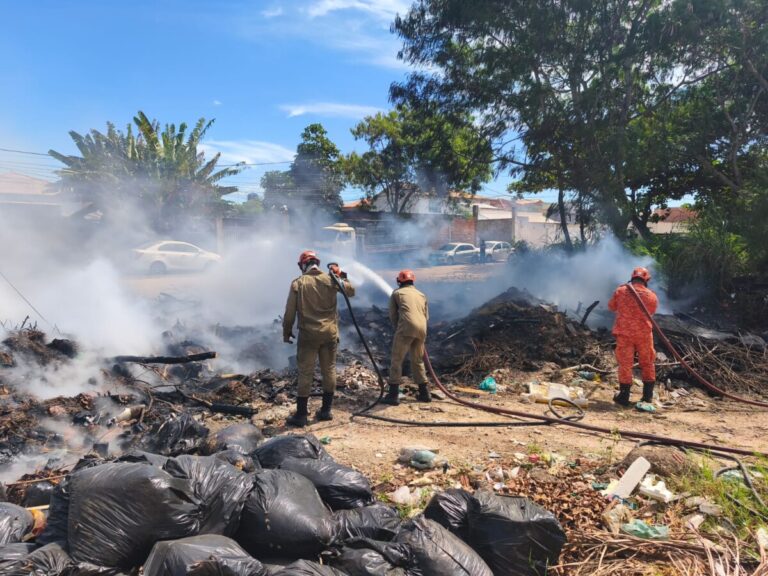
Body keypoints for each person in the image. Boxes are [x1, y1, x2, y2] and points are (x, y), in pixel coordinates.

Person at [283, 250, 355, 426]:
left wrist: (287, 331)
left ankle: (301, 415)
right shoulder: (331, 280)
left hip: (308, 335)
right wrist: (341, 275)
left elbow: (290, 311)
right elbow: (351, 291)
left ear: (303, 265)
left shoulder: (298, 283)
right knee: (329, 370)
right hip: (329, 333)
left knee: (305, 372)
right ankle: (326, 411)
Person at [607, 266, 658, 407]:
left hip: (625, 334)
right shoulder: (652, 296)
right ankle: (647, 397)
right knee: (647, 363)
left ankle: (624, 397)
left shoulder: (621, 291)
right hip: (644, 334)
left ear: (632, 277)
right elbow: (652, 311)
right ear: (646, 280)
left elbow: (611, 307)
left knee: (625, 364)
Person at [382, 269, 430, 405]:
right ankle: (425, 393)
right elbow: (426, 316)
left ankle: (393, 395)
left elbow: (393, 314)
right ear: (413, 280)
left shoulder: (397, 293)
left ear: (399, 281)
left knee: (397, 360)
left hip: (406, 328)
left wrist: (399, 328)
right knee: (418, 360)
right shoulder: (421, 294)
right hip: (422, 329)